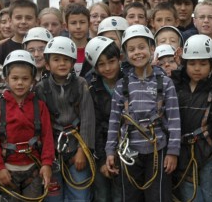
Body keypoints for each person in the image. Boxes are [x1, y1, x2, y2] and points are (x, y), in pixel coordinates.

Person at [103, 25, 182, 201]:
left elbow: (174, 120)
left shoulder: (165, 83)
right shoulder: (122, 86)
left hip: (158, 148)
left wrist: (173, 152)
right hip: (129, 150)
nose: (137, 52)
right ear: (125, 55)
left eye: (141, 47)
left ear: (152, 49)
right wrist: (110, 151)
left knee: (158, 197)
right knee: (130, 197)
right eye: (131, 49)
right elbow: (114, 121)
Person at [34, 37, 96, 202]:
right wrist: (46, 157)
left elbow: (88, 119)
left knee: (80, 196)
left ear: (73, 63)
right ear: (47, 64)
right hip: (52, 151)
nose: (62, 63)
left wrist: (82, 151)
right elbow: (40, 125)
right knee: (53, 197)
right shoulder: (41, 88)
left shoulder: (81, 84)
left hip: (77, 148)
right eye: (56, 59)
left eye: (66, 60)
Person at [0, 50, 54, 200]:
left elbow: (47, 136)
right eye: (15, 78)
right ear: (6, 79)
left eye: (25, 78)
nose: (19, 83)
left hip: (33, 169)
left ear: (32, 81)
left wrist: (47, 163)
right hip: (8, 170)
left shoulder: (40, 106)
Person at [172, 34, 212, 202]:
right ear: (184, 63)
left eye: (203, 64)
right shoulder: (175, 90)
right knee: (190, 195)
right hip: (182, 153)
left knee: (210, 194)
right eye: (192, 63)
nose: (197, 68)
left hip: (209, 153)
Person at [84, 36, 124, 202]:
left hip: (125, 149)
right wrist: (101, 159)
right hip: (100, 150)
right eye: (101, 64)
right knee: (102, 195)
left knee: (121, 195)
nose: (108, 68)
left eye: (111, 61)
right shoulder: (92, 86)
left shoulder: (129, 81)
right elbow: (94, 125)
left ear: (120, 59)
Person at [64, 4, 92, 76]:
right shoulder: (62, 50)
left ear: (89, 24)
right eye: (73, 23)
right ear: (66, 26)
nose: (78, 27)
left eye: (82, 22)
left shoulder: (95, 49)